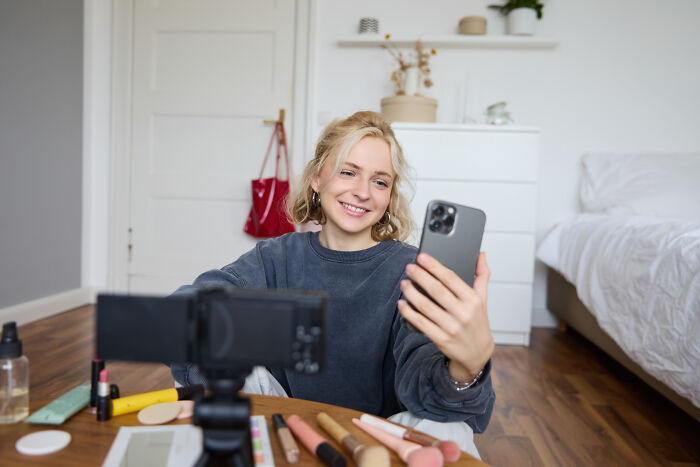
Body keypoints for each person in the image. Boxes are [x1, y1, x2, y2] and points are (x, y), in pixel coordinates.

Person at [170, 111, 495, 456]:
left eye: (380, 181)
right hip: (288, 422)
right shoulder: (275, 257)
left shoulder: (411, 270)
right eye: (348, 172)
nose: (362, 192)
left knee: (451, 431)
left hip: (383, 437)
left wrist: (465, 369)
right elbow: (191, 304)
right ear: (316, 178)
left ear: (389, 197)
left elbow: (429, 387)